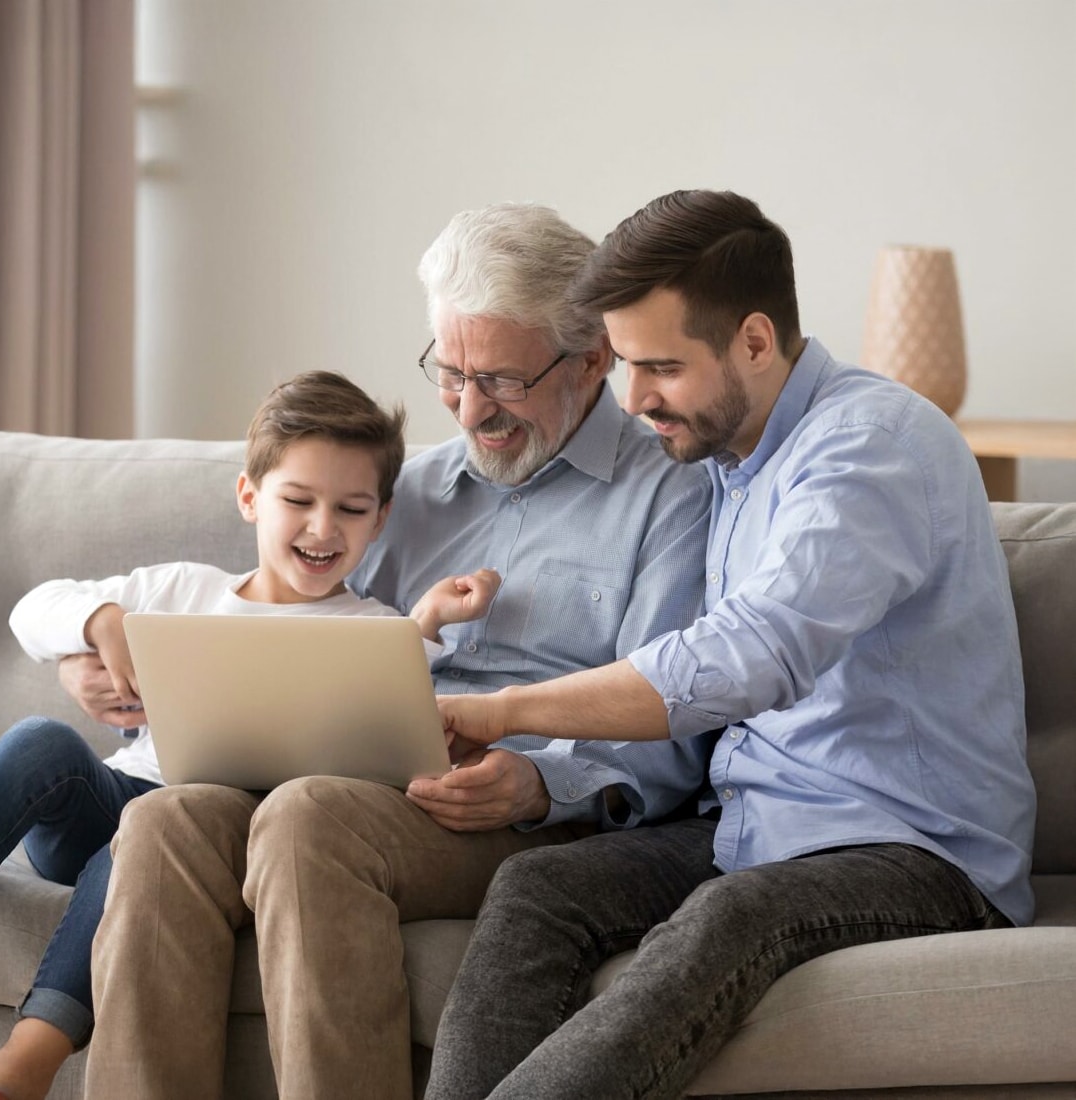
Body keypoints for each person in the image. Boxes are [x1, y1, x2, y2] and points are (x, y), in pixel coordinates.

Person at [61, 203, 716, 1100]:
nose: (470, 407)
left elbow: (674, 722)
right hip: (350, 777)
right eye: (450, 372)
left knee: (308, 820)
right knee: (162, 821)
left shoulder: (671, 496)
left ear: (594, 360)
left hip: (515, 811)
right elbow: (271, 615)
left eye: (501, 380)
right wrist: (98, 650)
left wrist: (537, 782)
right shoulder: (405, 492)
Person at [427, 189, 1038, 1100]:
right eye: (626, 364)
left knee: (728, 920)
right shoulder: (727, 458)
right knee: (537, 891)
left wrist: (499, 709)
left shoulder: (869, 448)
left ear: (755, 340)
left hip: (918, 853)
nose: (633, 399)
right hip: (753, 827)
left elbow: (750, 654)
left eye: (661, 367)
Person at [0, 370, 501, 1100]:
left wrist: (425, 627)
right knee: (41, 742)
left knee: (149, 835)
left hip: (209, 840)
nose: (324, 528)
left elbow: (392, 744)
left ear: (380, 520)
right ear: (250, 498)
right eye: (298, 501)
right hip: (118, 794)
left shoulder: (379, 633)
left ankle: (31, 1054)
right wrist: (98, 625)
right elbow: (34, 608)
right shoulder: (180, 591)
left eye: (351, 509)